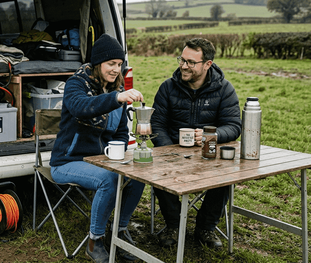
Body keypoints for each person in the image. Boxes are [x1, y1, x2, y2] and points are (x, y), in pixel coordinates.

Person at [50, 33, 145, 263]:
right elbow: (82, 107)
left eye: (120, 65)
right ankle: (95, 240)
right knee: (108, 179)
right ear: (98, 63)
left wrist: (118, 154)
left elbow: (121, 132)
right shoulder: (77, 84)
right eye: (111, 64)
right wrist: (117, 98)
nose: (116, 69)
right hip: (68, 161)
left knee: (140, 175)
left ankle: (119, 233)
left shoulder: (116, 89)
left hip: (101, 160)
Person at [150, 38, 241, 248]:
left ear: (207, 64)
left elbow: (234, 126)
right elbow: (157, 124)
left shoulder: (225, 89)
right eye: (182, 60)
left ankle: (206, 228)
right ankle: (173, 225)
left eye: (191, 62)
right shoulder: (167, 88)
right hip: (171, 152)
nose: (183, 66)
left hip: (208, 154)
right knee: (158, 169)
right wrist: (168, 150)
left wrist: (212, 135)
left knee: (226, 172)